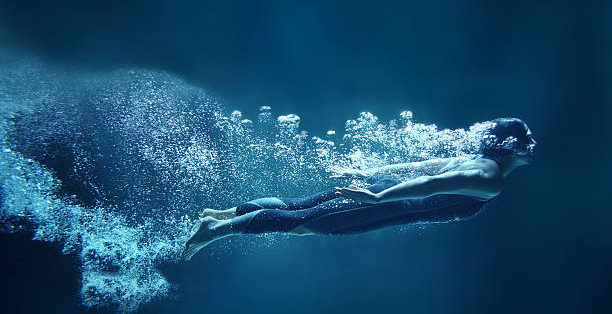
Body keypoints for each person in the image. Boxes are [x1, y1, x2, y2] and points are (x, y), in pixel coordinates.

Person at [182, 117, 536, 260]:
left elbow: (416, 168)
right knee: (303, 223)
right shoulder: (491, 178)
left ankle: (223, 214)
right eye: (527, 139)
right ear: (512, 145)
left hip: (382, 192)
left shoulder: (472, 159)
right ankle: (215, 229)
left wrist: (368, 174)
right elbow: (430, 184)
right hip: (383, 204)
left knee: (296, 206)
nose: (533, 143)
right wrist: (378, 195)